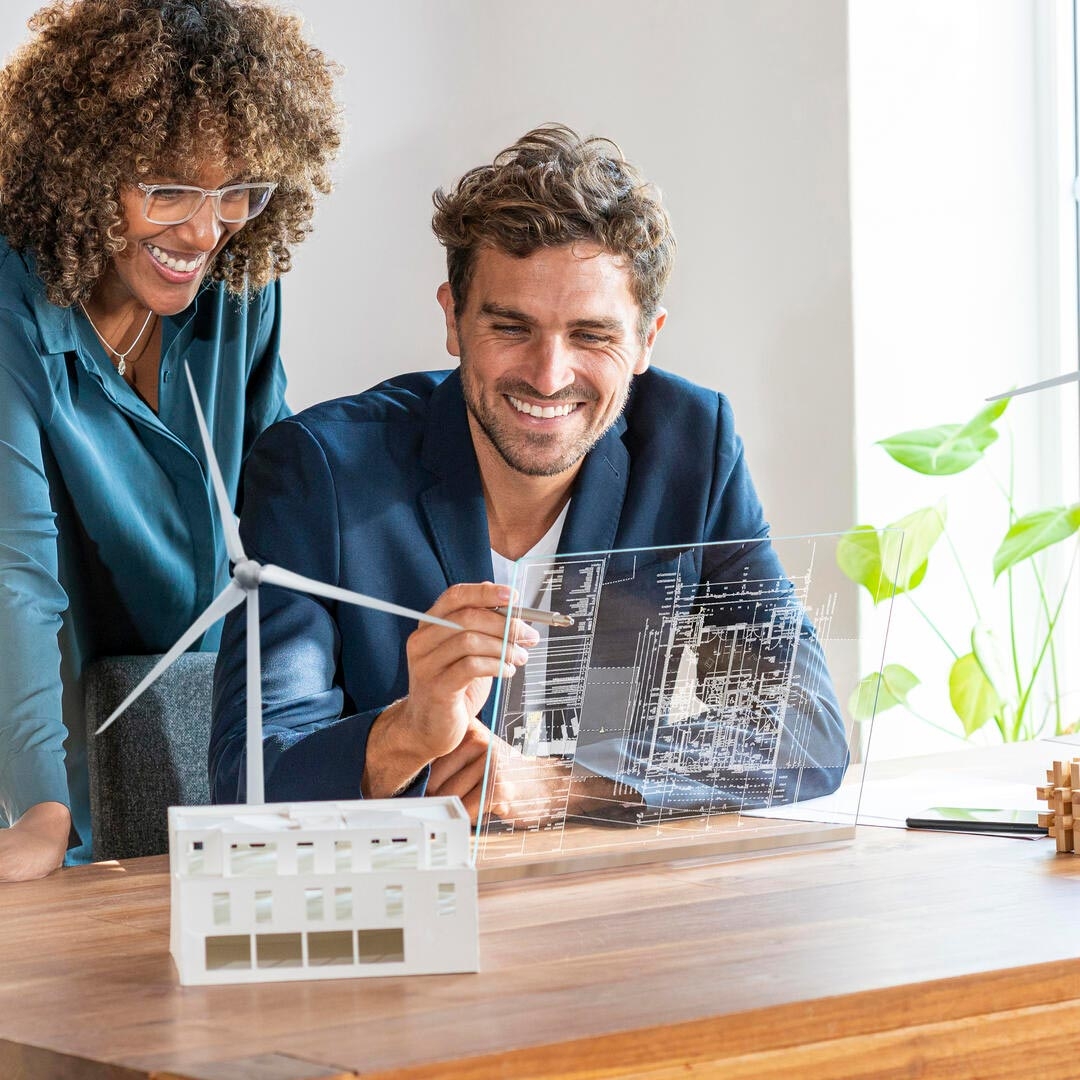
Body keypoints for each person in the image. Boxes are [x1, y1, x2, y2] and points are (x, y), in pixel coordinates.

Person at [211, 124, 848, 822]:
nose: (549, 376)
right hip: (402, 910)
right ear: (453, 320)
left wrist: (556, 785)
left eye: (592, 334)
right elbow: (247, 780)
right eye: (511, 328)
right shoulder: (319, 470)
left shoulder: (692, 447)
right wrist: (406, 733)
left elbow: (807, 730)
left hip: (615, 901)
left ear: (646, 341)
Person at [0, 0, 342, 880]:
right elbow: (17, 578)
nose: (204, 229)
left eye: (239, 190)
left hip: (204, 694)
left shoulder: (239, 284)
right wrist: (40, 812)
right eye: (168, 189)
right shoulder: (11, 318)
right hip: (47, 700)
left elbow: (280, 506)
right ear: (82, 171)